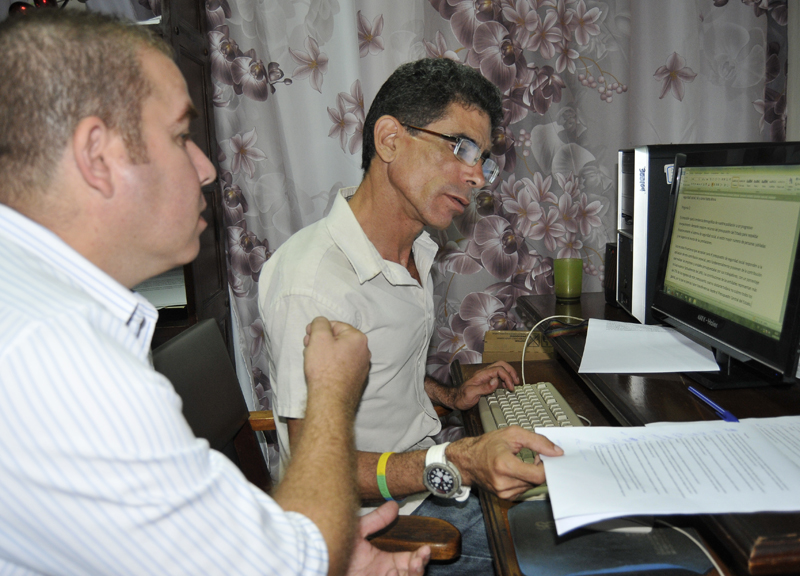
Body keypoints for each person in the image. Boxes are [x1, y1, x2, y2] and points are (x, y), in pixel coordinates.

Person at [0, 10, 429, 576]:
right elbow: (277, 565)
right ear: (97, 156)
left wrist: (313, 550)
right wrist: (329, 391)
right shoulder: (59, 358)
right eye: (181, 136)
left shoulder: (35, 307)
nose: (206, 170)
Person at [258, 58, 564, 574]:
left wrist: (448, 396)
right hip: (379, 527)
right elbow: (317, 473)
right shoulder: (313, 284)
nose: (477, 176)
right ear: (390, 140)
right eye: (460, 147)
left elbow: (375, 375)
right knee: (598, 545)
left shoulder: (415, 250)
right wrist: (456, 462)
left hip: (418, 484)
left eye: (483, 160)